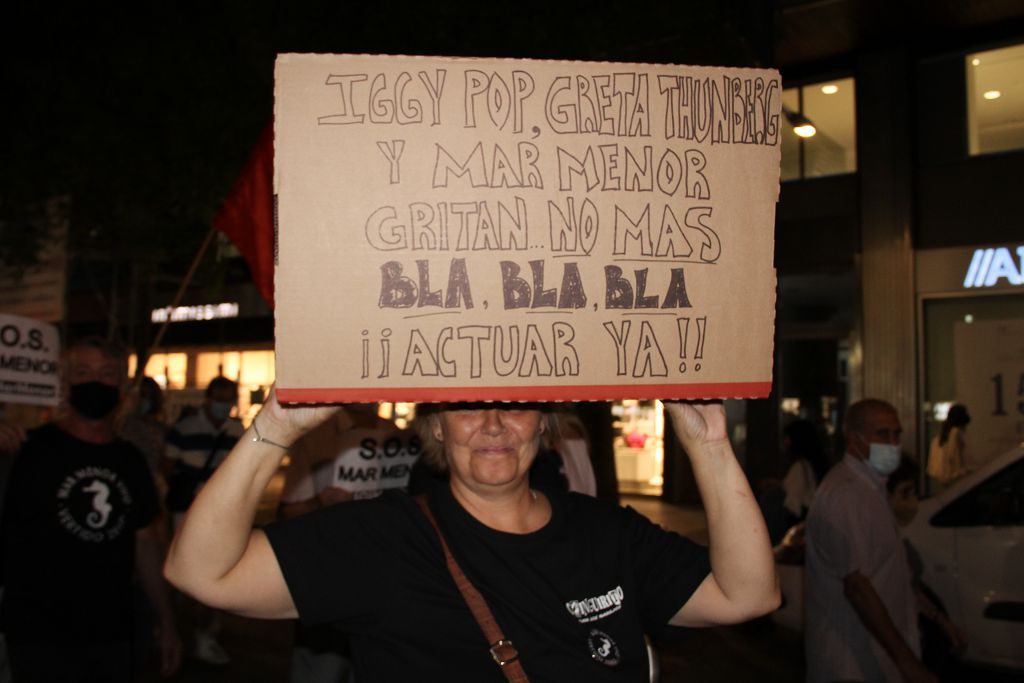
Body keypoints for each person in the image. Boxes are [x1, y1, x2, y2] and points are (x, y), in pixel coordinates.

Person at [165, 391, 779, 681]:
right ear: (435, 428)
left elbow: (747, 595)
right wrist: (274, 429)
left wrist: (711, 446)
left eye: (515, 404)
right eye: (466, 406)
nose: (492, 425)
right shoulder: (384, 539)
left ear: (544, 424)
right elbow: (200, 572)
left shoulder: (606, 530)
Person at [0, 337, 181, 682]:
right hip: (37, 632)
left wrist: (167, 621)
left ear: (123, 386)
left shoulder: (130, 459)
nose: (95, 383)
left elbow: (145, 543)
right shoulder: (26, 449)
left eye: (107, 373)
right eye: (83, 372)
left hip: (111, 631)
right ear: (65, 382)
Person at [278, 403, 420, 683]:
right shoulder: (315, 437)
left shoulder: (395, 434)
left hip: (382, 572)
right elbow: (288, 511)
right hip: (329, 571)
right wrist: (321, 501)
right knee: (322, 670)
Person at [804, 399, 935, 683]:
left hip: (876, 661)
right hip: (851, 662)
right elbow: (858, 588)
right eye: (883, 434)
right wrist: (908, 663)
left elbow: (890, 572)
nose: (893, 443)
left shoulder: (871, 489)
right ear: (855, 439)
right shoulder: (846, 495)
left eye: (897, 434)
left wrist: (939, 620)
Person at [162, 375, 244, 665]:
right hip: (187, 512)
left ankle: (204, 637)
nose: (224, 405)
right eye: (219, 398)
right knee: (184, 573)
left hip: (224, 515)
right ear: (208, 399)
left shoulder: (237, 430)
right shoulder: (185, 428)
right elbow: (168, 466)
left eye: (228, 399)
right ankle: (174, 630)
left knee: (216, 572)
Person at [779, 419, 828, 525]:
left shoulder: (799, 467)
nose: (784, 442)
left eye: (786, 438)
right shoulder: (814, 463)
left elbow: (793, 505)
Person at [926, 404, 970, 488]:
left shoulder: (941, 436)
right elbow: (955, 457)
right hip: (955, 480)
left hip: (943, 480)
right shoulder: (955, 433)